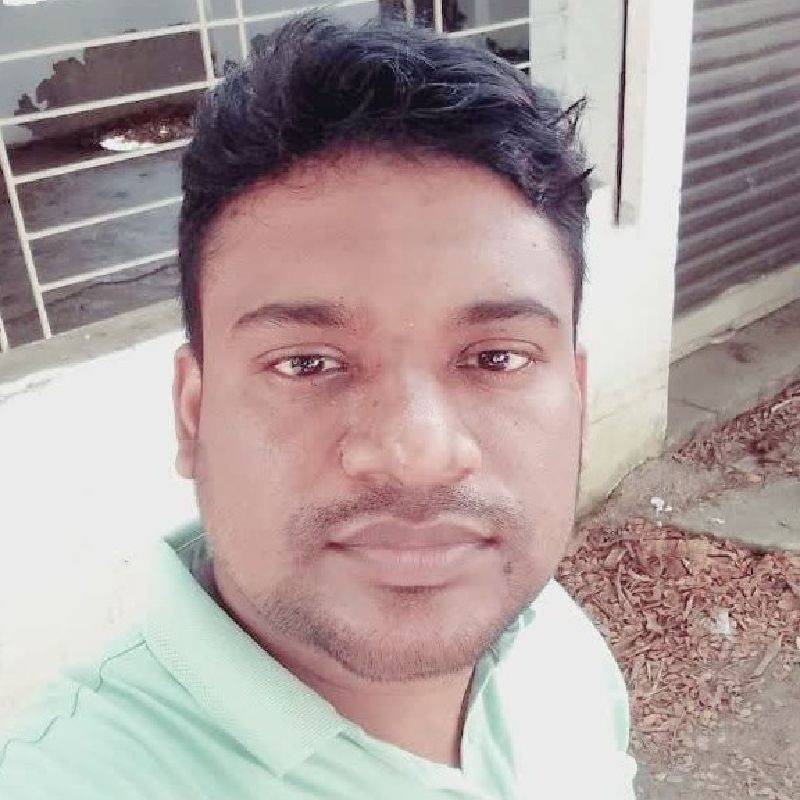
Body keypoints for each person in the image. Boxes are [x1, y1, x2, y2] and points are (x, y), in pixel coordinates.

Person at [0, 14, 637, 799]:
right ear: (193, 415)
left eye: (495, 358)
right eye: (307, 363)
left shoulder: (556, 647)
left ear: (575, 396)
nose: (418, 454)